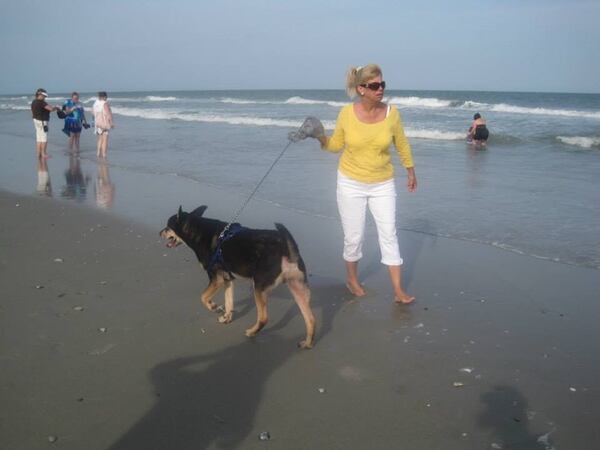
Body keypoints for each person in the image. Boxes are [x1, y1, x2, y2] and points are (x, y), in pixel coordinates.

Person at [290, 64, 417, 304]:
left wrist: (411, 171)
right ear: (361, 89)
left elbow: (402, 144)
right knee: (354, 237)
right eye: (374, 86)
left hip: (383, 184)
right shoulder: (347, 114)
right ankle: (352, 279)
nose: (380, 89)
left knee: (389, 233)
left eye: (382, 84)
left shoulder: (392, 113)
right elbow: (336, 145)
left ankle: (398, 289)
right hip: (351, 183)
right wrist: (318, 136)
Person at [30, 88, 59, 159]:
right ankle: (43, 154)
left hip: (36, 120)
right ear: (39, 95)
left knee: (39, 138)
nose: (45, 97)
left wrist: (34, 118)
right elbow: (51, 109)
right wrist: (56, 107)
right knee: (44, 138)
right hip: (43, 122)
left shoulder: (33, 102)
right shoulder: (42, 102)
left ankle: (38, 153)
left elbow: (32, 112)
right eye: (44, 95)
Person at [92, 91, 114, 158]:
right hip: (104, 123)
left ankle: (98, 153)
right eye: (106, 97)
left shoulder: (95, 103)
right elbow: (108, 114)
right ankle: (104, 154)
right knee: (105, 139)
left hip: (98, 123)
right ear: (104, 97)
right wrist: (111, 122)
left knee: (100, 139)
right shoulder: (105, 103)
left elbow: (92, 113)